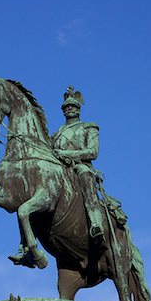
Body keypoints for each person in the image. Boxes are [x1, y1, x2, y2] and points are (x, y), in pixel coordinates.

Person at [52, 86, 105, 246]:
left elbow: (93, 152)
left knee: (84, 174)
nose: (69, 108)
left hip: (80, 167)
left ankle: (96, 222)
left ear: (78, 109)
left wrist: (66, 154)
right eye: (66, 107)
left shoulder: (88, 127)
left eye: (72, 106)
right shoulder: (56, 135)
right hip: (61, 168)